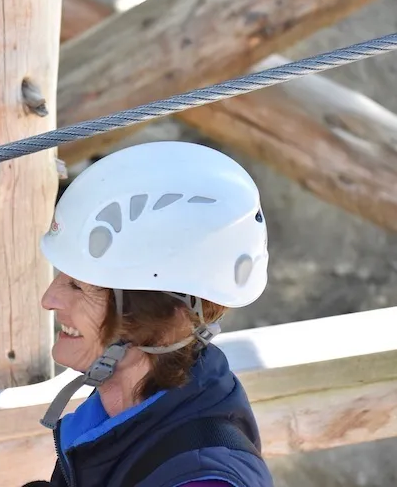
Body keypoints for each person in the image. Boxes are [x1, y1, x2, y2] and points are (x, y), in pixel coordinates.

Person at [25, 140, 275, 487]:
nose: (49, 300)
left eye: (79, 287)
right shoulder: (128, 413)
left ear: (161, 317)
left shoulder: (201, 480)